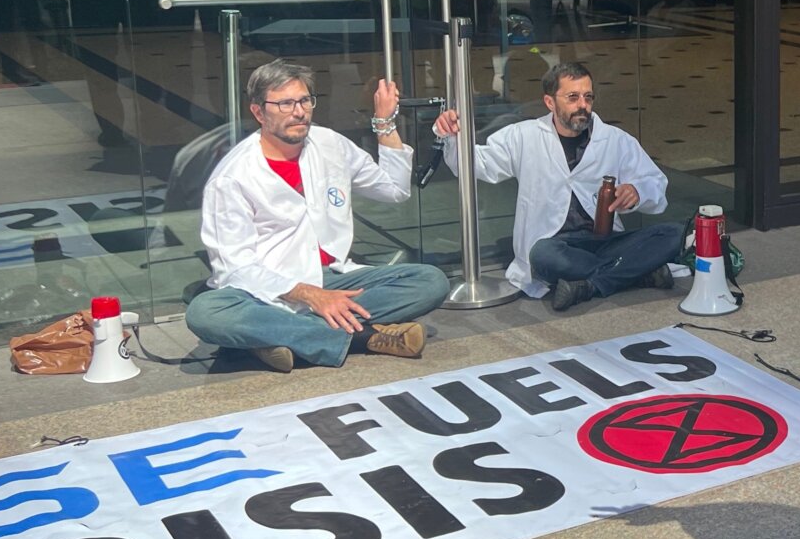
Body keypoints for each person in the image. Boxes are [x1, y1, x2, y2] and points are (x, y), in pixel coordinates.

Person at [187, 60, 448, 372]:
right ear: (258, 112)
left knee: (430, 281)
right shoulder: (231, 177)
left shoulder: (329, 143)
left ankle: (275, 338)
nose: (299, 112)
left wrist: (384, 123)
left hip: (335, 276)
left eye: (304, 100)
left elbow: (393, 190)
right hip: (269, 290)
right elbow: (235, 270)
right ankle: (363, 337)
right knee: (206, 312)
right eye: (285, 103)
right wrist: (309, 295)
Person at [433, 61, 682, 312]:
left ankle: (592, 284)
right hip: (556, 246)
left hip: (604, 241)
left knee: (674, 233)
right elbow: (473, 165)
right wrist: (452, 136)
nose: (582, 105)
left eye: (588, 97)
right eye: (572, 97)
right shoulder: (525, 135)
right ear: (550, 102)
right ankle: (635, 272)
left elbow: (656, 184)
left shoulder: (615, 140)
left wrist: (638, 192)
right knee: (542, 255)